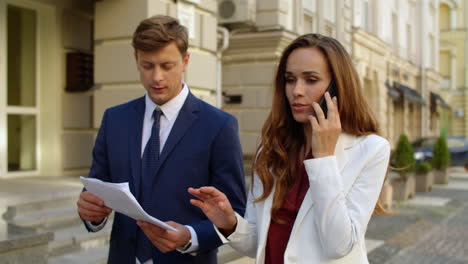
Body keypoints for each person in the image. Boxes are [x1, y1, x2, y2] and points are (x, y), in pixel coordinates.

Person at [189, 33, 391, 263]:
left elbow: (339, 246)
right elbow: (260, 244)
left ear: (337, 87)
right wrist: (230, 223)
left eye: (311, 80)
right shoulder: (271, 150)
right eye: (290, 79)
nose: (297, 91)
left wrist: (323, 158)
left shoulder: (371, 150)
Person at [76, 15, 246, 264]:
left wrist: (191, 236)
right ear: (136, 61)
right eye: (147, 65)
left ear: (185, 61)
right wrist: (92, 213)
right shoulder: (114, 120)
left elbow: (236, 214)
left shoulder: (219, 126)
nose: (156, 77)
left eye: (166, 66)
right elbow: (97, 187)